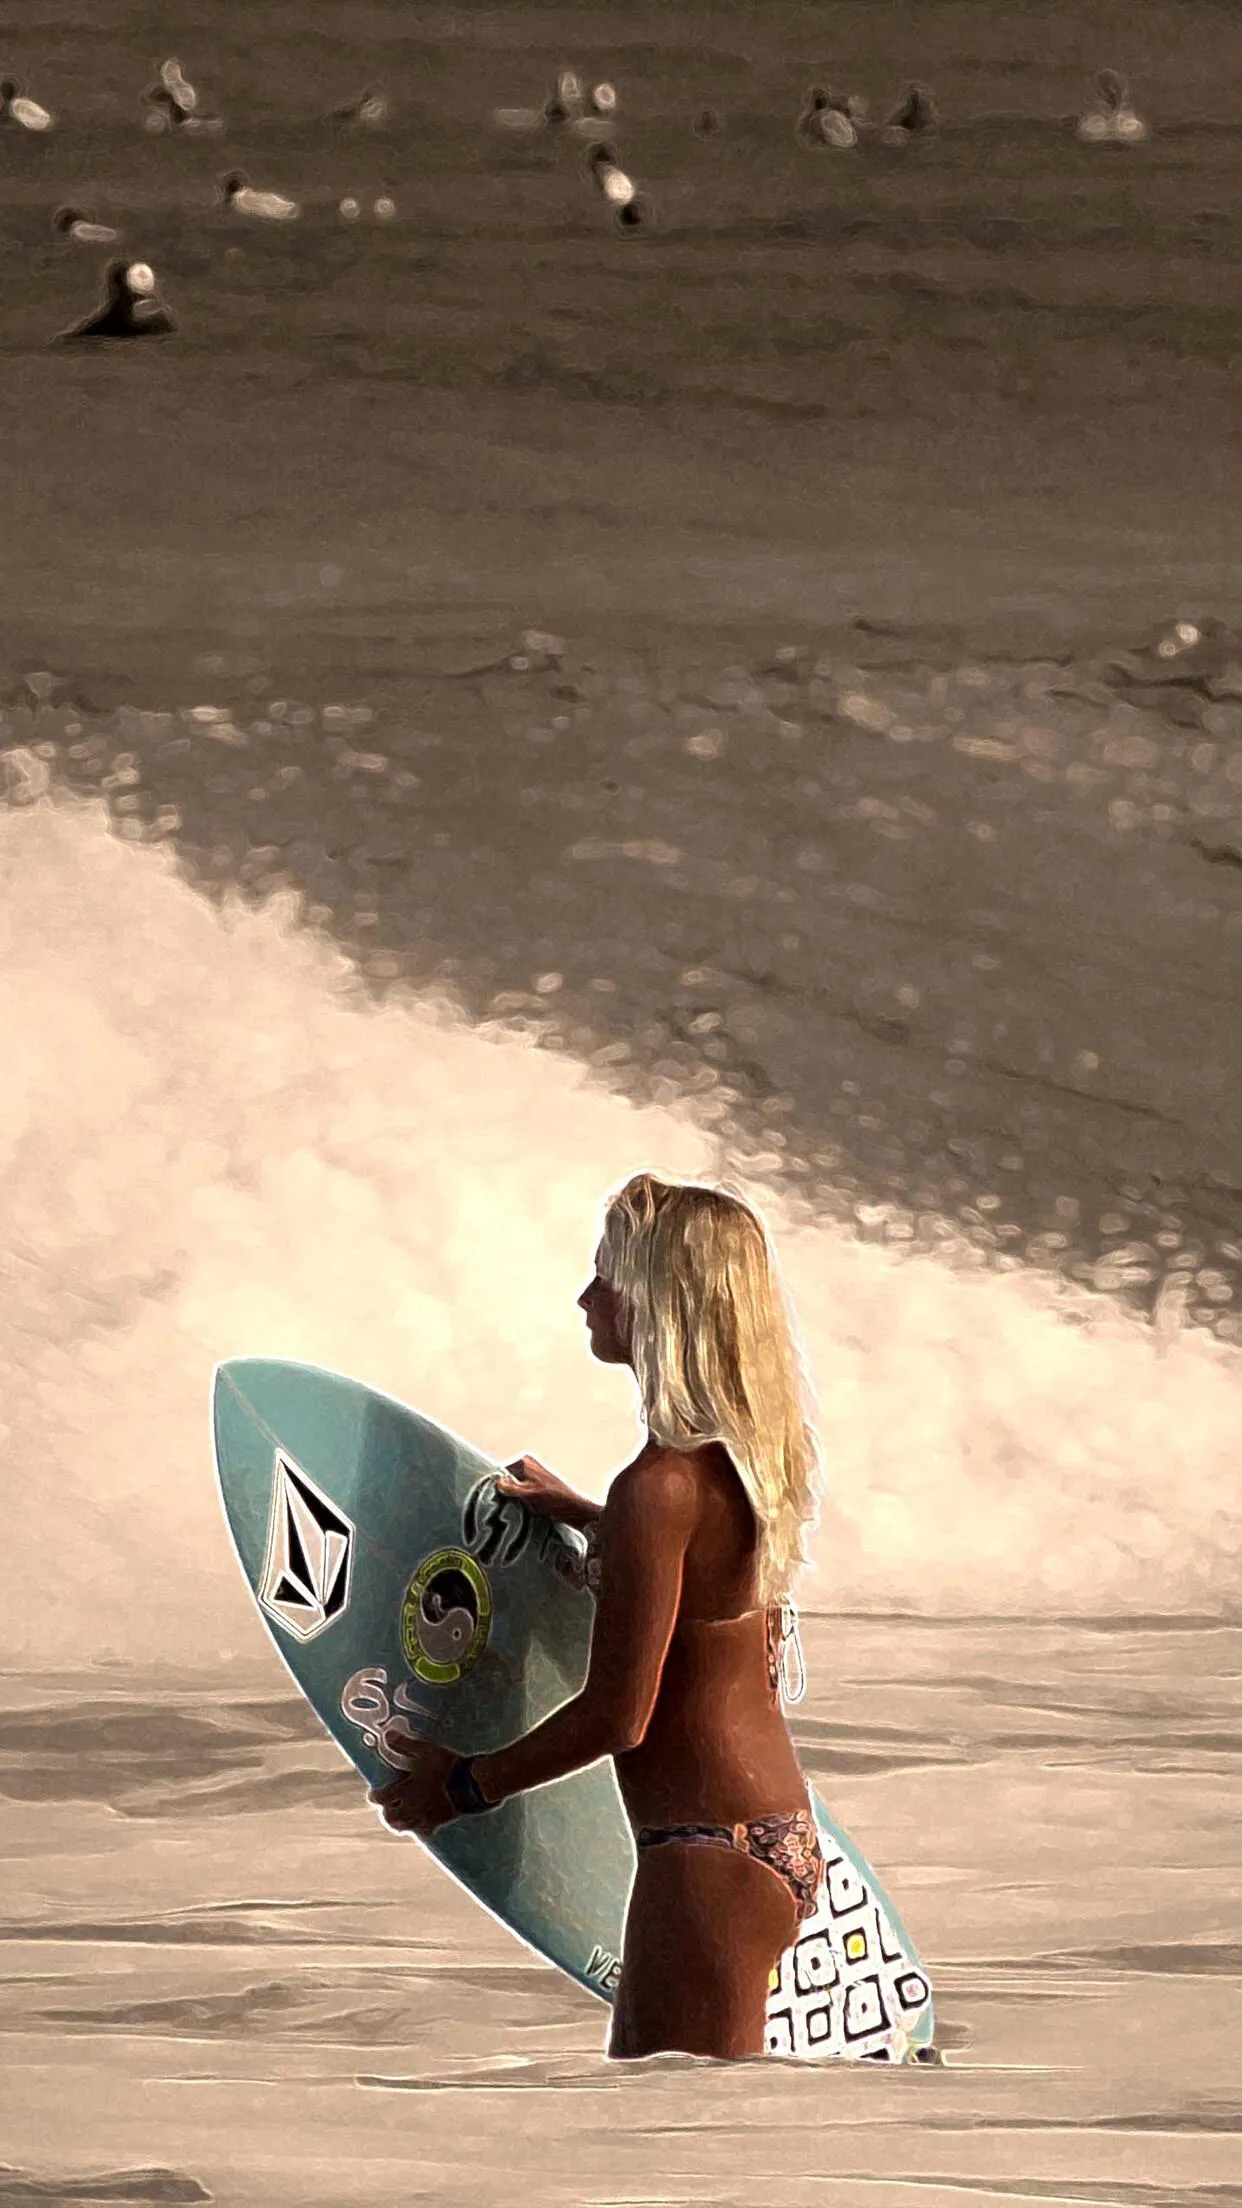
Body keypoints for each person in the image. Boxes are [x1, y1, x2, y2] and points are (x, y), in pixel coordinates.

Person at [369, 1171, 826, 2060]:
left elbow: (622, 1715)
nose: (586, 1297)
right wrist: (590, 1518)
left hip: (704, 1857)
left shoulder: (658, 1489)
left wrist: (463, 1787)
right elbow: (703, 1593)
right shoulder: (740, 1466)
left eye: (607, 1277)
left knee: (677, 2163)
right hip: (765, 1836)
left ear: (658, 1304)